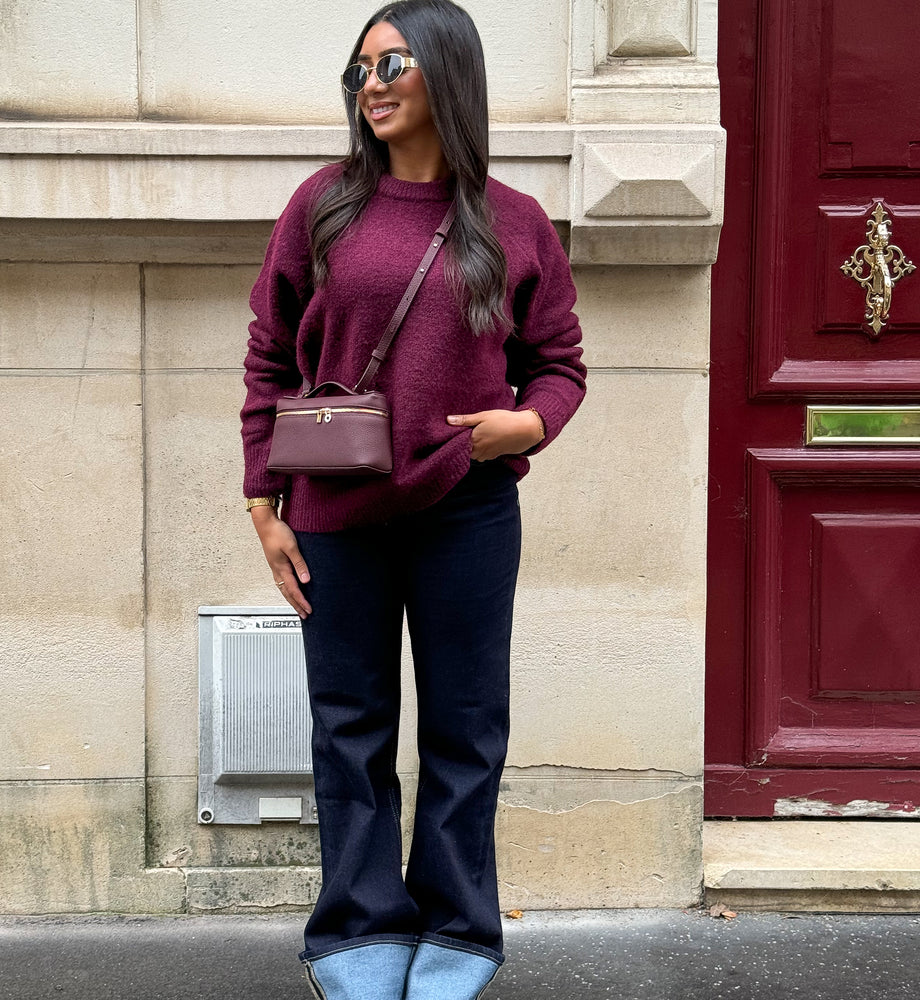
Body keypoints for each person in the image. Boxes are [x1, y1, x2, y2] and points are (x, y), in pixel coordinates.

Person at [240, 2, 585, 997]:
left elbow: (557, 362)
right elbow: (269, 351)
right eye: (359, 71)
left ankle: (459, 931)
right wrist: (262, 499)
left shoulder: (512, 222)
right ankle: (354, 927)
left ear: (447, 71)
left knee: (465, 729)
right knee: (348, 726)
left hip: (467, 514)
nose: (373, 84)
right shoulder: (323, 206)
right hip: (333, 516)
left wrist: (529, 424)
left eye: (391, 63)